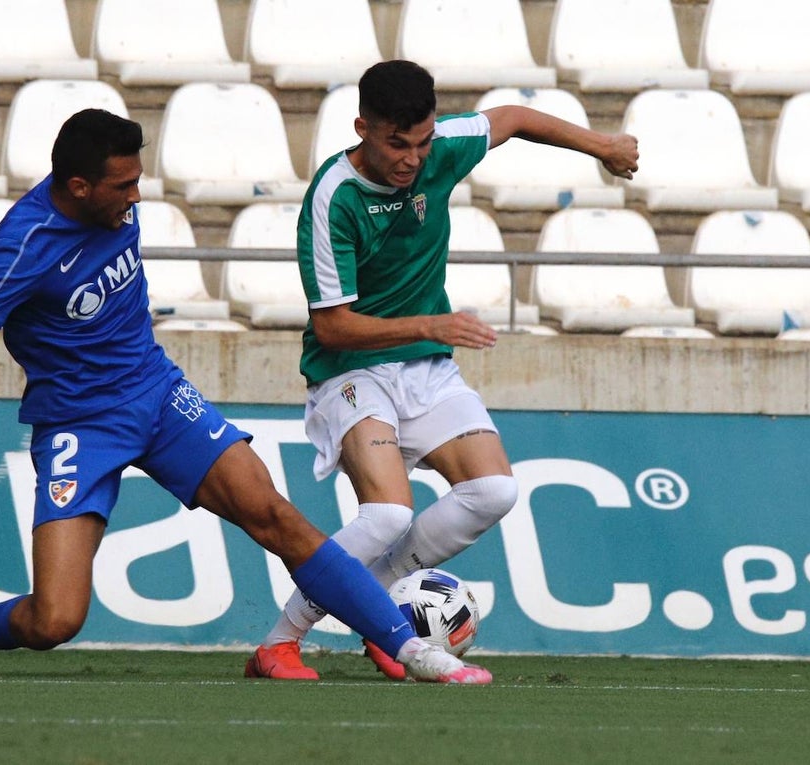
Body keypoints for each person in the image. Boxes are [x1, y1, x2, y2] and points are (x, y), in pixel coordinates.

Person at [0, 108, 491, 685]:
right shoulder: (23, 246)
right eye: (123, 186)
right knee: (55, 619)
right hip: (80, 425)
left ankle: (414, 651)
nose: (136, 198)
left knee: (276, 516)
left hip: (158, 392)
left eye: (138, 181)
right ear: (78, 187)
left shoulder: (112, 205)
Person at [244, 60, 640, 681]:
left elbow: (512, 118)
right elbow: (333, 326)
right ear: (363, 129)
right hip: (351, 373)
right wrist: (431, 324)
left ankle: (374, 606)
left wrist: (603, 147)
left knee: (494, 491)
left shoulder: (440, 152)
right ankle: (280, 641)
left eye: (423, 142)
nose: (412, 159)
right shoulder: (334, 198)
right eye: (396, 144)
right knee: (388, 517)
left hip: (426, 369)